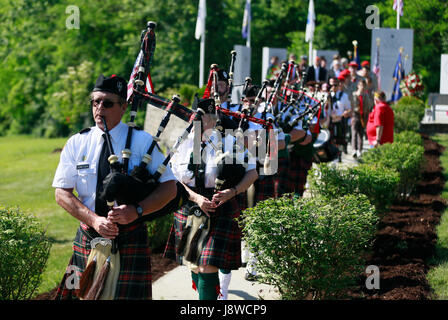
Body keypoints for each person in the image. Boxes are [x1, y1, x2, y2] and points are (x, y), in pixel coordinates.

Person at [52, 74, 177, 300]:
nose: (100, 108)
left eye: (107, 103)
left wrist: (137, 210)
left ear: (123, 106)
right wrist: (93, 220)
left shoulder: (141, 141)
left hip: (129, 237)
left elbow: (170, 188)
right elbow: (61, 193)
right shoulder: (77, 142)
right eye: (95, 101)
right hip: (89, 236)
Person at [163, 98, 258, 300]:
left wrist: (232, 191)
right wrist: (197, 199)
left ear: (214, 120)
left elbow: (252, 173)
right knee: (195, 264)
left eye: (204, 118)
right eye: (196, 117)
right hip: (189, 205)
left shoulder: (230, 142)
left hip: (220, 207)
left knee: (207, 265)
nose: (199, 122)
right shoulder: (183, 143)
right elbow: (173, 180)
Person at [329, 77, 351, 161]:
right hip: (330, 121)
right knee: (331, 140)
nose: (333, 87)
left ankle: (339, 156)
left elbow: (348, 108)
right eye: (331, 85)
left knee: (339, 140)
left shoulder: (344, 96)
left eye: (335, 85)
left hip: (340, 120)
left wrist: (346, 113)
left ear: (339, 85)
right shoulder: (327, 95)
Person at [350, 79, 373, 158]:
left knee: (361, 133)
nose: (362, 87)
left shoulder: (366, 96)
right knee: (354, 132)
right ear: (358, 86)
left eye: (364, 86)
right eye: (360, 85)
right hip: (355, 114)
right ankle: (354, 149)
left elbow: (369, 106)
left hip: (363, 116)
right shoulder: (354, 95)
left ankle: (360, 150)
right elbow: (353, 105)